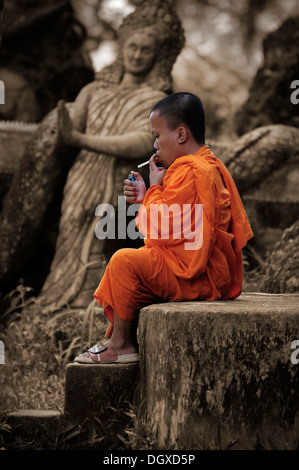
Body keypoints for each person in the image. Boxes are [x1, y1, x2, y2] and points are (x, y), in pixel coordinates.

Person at [75, 92, 253, 364]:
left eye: (157, 136)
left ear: (181, 134)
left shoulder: (191, 170)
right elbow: (178, 225)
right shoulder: (209, 165)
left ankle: (121, 344)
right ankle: (125, 339)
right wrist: (148, 195)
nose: (155, 145)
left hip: (198, 275)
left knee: (124, 261)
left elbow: (159, 228)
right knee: (134, 265)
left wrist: (155, 187)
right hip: (206, 270)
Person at [39, 2, 185, 309]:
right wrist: (61, 132)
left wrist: (80, 139)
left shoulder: (156, 100)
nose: (136, 55)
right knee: (70, 235)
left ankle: (91, 305)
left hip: (119, 180)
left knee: (98, 239)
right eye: (132, 47)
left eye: (146, 50)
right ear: (122, 46)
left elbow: (140, 142)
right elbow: (65, 135)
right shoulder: (93, 90)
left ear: (158, 55)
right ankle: (54, 303)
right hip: (81, 175)